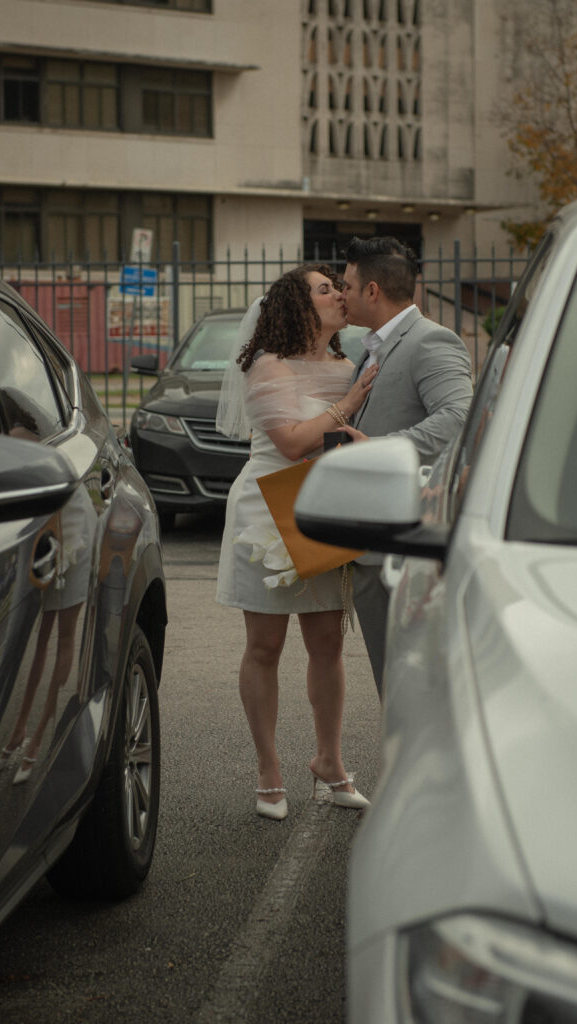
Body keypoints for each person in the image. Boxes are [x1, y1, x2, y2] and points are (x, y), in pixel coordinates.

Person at [215, 263, 378, 820]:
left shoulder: (348, 364)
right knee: (265, 645)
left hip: (321, 506)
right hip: (267, 508)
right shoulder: (269, 365)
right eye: (325, 289)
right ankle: (268, 771)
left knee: (328, 639)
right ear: (297, 306)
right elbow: (289, 444)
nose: (338, 295)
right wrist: (349, 403)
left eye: (338, 287)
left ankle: (329, 763)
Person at [339, 236, 474, 697]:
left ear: (373, 290)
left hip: (405, 550)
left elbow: (459, 419)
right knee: (392, 686)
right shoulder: (372, 346)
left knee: (412, 691)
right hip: (373, 541)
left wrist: (378, 448)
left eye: (348, 286)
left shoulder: (431, 340)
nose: (342, 295)